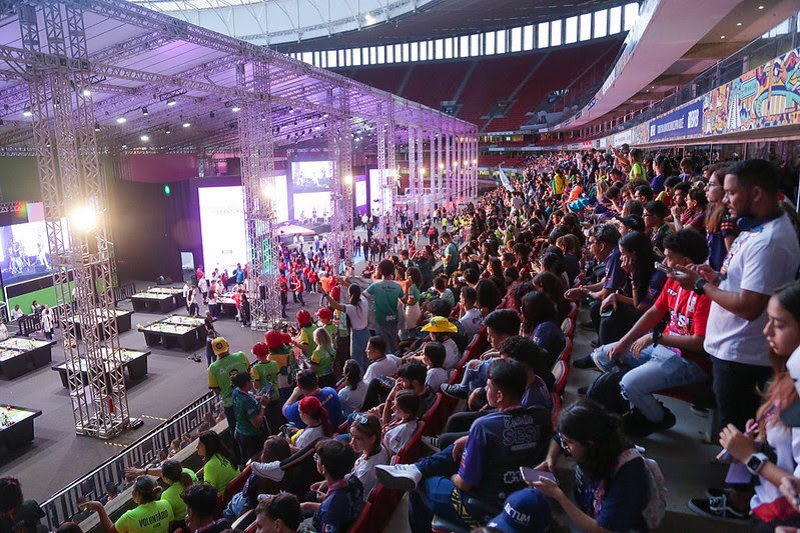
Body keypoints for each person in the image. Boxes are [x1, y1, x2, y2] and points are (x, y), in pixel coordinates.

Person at [672, 160, 800, 442]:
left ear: (756, 193)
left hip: (742, 355)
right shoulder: (756, 229)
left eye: (731, 193)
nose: (725, 199)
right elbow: (744, 285)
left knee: (740, 432)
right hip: (731, 349)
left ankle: (740, 488)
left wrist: (701, 285)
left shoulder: (770, 242)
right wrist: (716, 277)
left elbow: (749, 306)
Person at [376, 359, 552, 531]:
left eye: (488, 387)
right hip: (521, 494)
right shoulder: (540, 415)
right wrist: (470, 439)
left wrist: (453, 477)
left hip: (487, 508)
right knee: (456, 448)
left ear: (499, 396)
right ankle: (416, 468)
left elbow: (465, 484)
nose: (485, 389)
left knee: (420, 484)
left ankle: (418, 471)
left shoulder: (484, 426)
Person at [690, 281, 800, 526]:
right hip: (765, 505)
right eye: (768, 320)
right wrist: (758, 442)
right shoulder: (786, 377)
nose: (767, 331)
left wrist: (750, 456)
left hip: (784, 518)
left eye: (779, 324)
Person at [595, 230, 712, 436]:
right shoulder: (673, 279)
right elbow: (653, 312)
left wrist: (656, 337)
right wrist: (624, 342)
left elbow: (700, 343)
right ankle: (632, 399)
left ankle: (658, 418)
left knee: (630, 383)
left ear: (684, 261)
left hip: (687, 360)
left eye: (668, 257)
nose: (664, 261)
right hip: (662, 347)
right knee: (603, 355)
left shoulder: (706, 293)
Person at [532, 399, 651, 533]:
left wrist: (559, 496)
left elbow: (603, 529)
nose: (565, 446)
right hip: (588, 507)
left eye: (569, 442)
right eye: (565, 441)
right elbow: (559, 439)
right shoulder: (590, 441)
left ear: (590, 444)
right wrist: (551, 459)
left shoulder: (629, 475)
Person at [306, 439, 364, 533]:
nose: (316, 460)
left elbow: (332, 510)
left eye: (317, 458)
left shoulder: (328, 510)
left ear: (324, 469)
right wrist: (307, 505)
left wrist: (327, 502)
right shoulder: (355, 481)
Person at [83, 476, 173, 533]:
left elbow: (110, 531)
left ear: (137, 493)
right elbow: (170, 528)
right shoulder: (166, 504)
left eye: (132, 488)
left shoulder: (130, 516)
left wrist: (99, 507)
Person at [207, 337, 250, 441]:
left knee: (235, 430)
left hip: (229, 404)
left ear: (215, 351)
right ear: (227, 346)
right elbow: (248, 372)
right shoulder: (241, 355)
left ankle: (239, 454)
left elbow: (216, 391)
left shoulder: (212, 368)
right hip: (247, 396)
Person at [323, 283, 370, 372]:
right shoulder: (364, 302)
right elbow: (357, 292)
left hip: (357, 335)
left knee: (357, 360)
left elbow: (336, 305)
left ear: (350, 295)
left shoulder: (351, 308)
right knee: (366, 357)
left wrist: (325, 294)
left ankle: (359, 378)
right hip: (366, 332)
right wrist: (346, 283)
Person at [364, 259, 404, 355]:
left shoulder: (375, 286)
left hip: (380, 320)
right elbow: (404, 300)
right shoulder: (398, 286)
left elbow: (364, 295)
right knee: (393, 344)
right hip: (393, 319)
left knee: (382, 347)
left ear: (379, 270)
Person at [231, 371, 269, 467]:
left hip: (239, 431)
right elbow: (256, 423)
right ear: (247, 383)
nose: (252, 382)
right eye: (251, 381)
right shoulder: (247, 402)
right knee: (254, 462)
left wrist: (258, 399)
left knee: (244, 458)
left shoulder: (236, 392)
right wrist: (263, 406)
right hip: (250, 437)